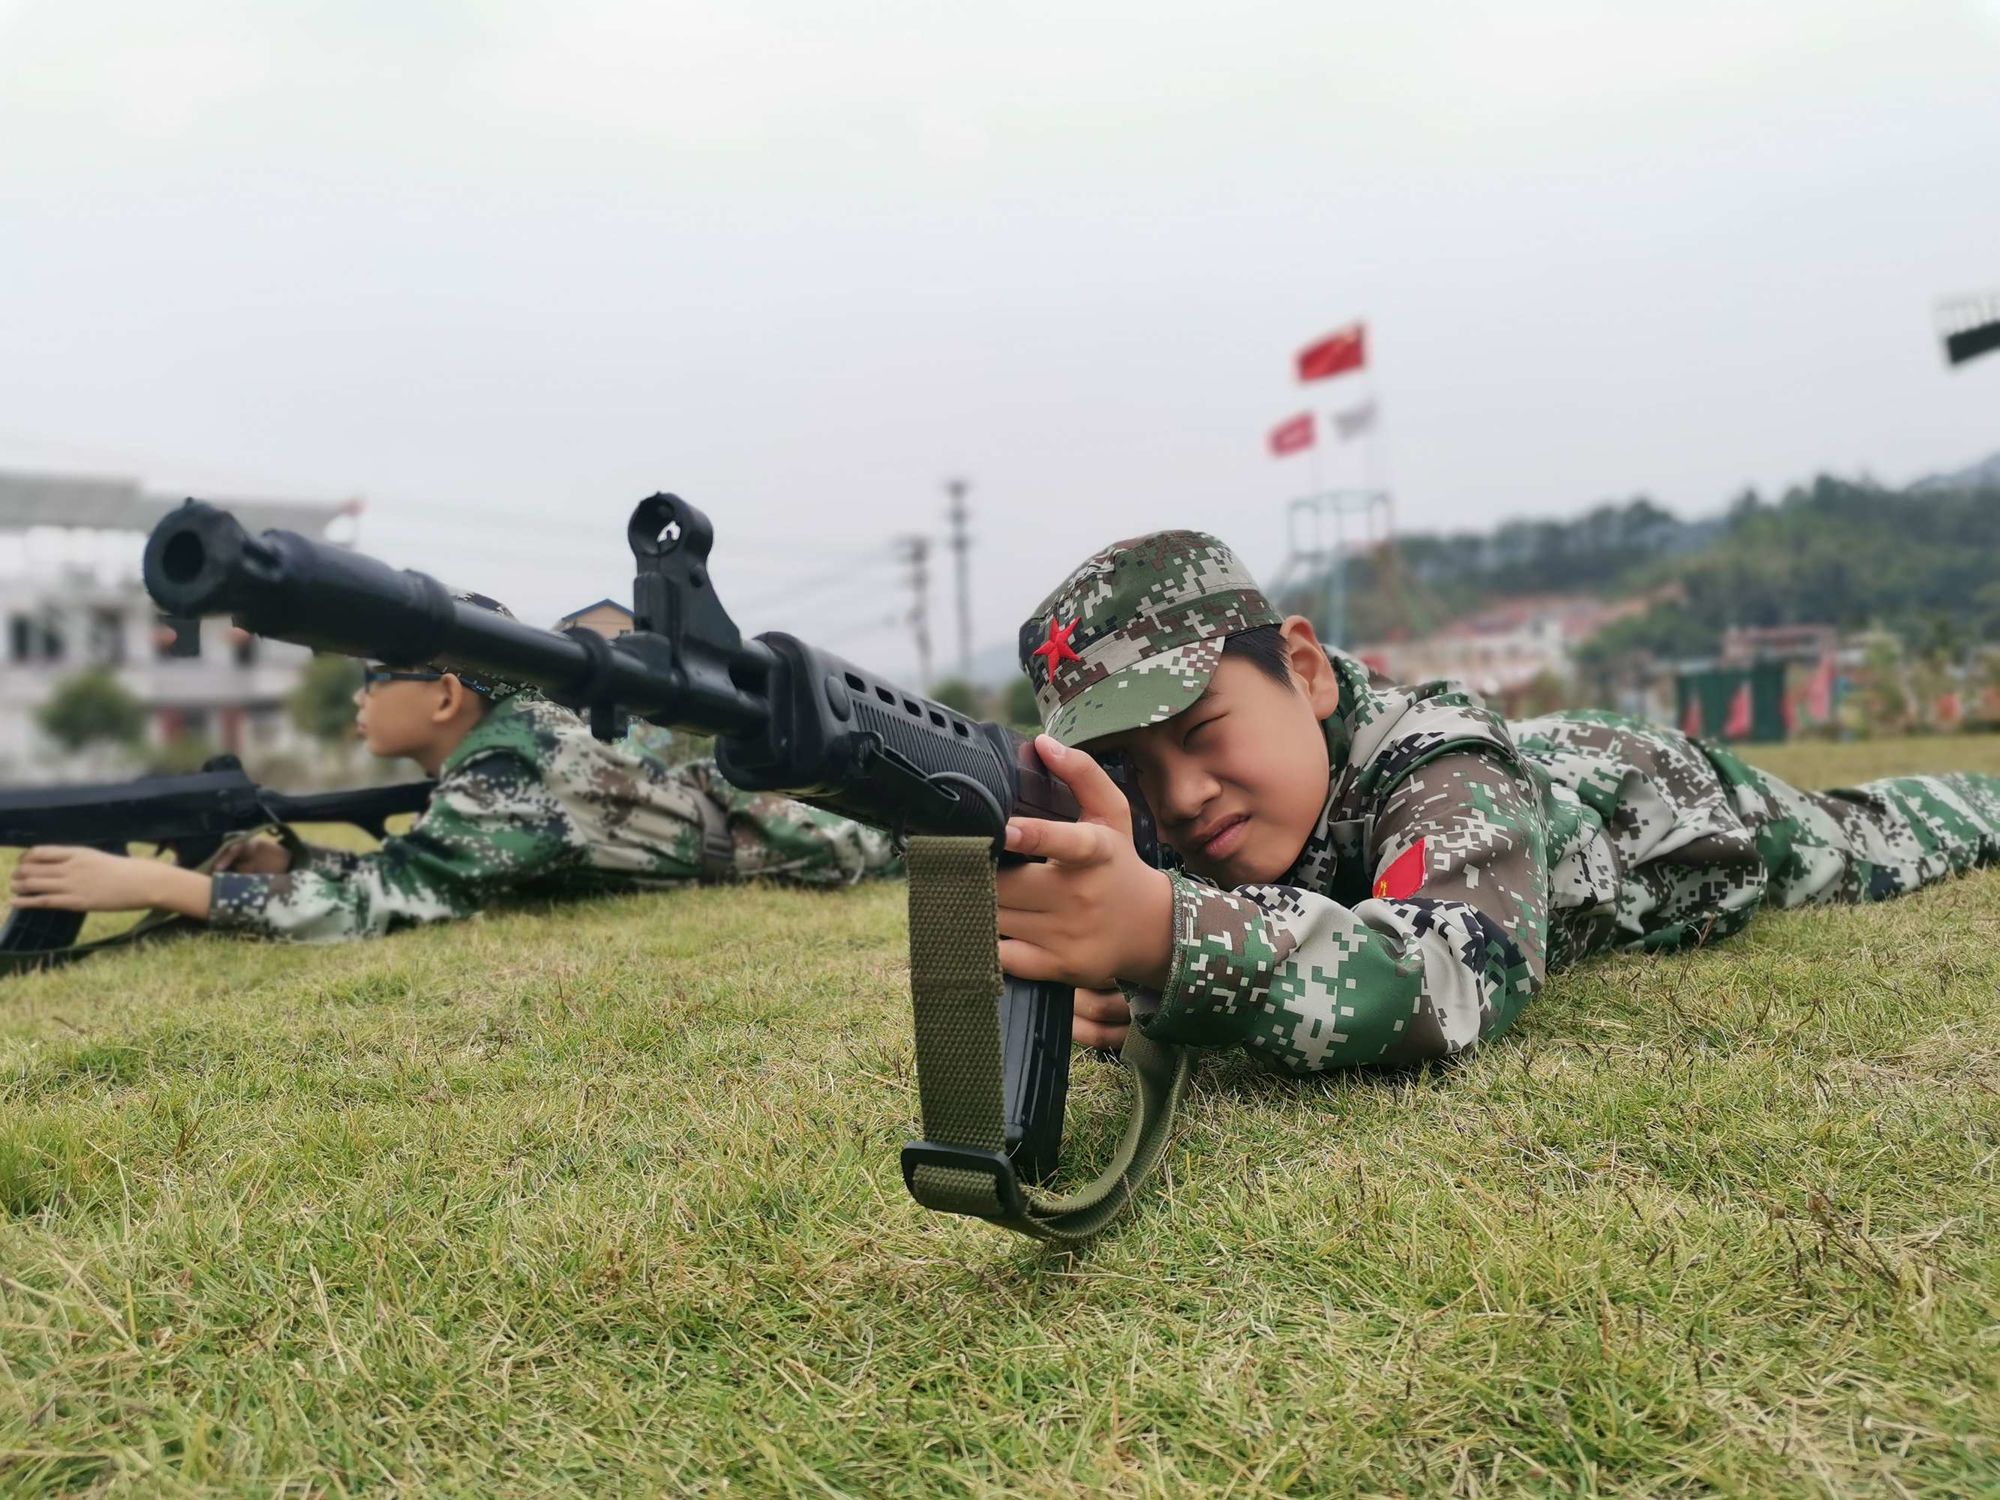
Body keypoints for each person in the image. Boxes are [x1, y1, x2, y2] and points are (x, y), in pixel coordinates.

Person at [994, 531, 2000, 1067]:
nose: (1177, 794)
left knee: (1888, 830)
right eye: (1130, 767)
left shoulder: (1439, 760)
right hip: (1540, 771)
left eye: (1200, 730)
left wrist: (1169, 940)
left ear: (1301, 669)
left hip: (1664, 807)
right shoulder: (1177, 819)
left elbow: (1440, 977)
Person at [8, 593, 898, 943]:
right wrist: (300, 858)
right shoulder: (508, 747)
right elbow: (430, 861)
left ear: (443, 697)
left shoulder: (514, 763)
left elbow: (387, 903)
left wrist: (157, 887)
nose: (358, 696)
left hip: (850, 836)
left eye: (373, 678)